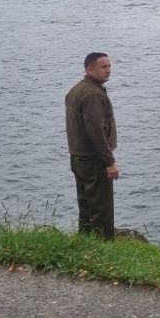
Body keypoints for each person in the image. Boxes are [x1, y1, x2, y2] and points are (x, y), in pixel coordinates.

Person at [65, 52, 119, 240]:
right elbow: (96, 131)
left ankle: (86, 241)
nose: (108, 71)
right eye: (103, 67)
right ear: (89, 69)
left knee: (86, 204)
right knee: (101, 208)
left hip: (78, 157)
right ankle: (103, 249)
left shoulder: (77, 89)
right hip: (94, 159)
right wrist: (109, 162)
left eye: (109, 66)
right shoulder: (93, 94)